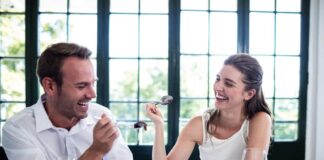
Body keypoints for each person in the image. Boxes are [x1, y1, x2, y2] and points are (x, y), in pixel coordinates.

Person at [2, 43, 133, 160]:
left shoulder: (102, 115)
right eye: (81, 86)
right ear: (50, 86)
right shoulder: (18, 128)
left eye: (93, 84)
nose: (92, 94)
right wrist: (96, 151)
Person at [146, 54, 272, 160]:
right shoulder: (199, 125)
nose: (218, 87)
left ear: (249, 94)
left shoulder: (259, 120)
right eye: (218, 79)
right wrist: (158, 124)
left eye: (229, 84)